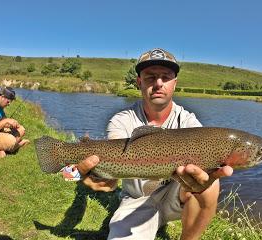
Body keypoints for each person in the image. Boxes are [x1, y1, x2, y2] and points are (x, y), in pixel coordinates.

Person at [77, 48, 233, 240]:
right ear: (139, 82)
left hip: (177, 196)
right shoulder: (121, 121)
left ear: (174, 84)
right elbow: (112, 152)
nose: (158, 83)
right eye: (150, 77)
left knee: (209, 183)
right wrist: (102, 175)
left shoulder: (188, 122)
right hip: (136, 199)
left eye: (165, 77)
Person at [0, 87, 29, 158]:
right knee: (11, 141)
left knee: (21, 130)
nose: (9, 104)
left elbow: (3, 122)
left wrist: (12, 124)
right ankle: (19, 144)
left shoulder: (0, 108)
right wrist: (5, 121)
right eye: (8, 101)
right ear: (2, 97)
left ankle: (0, 149)